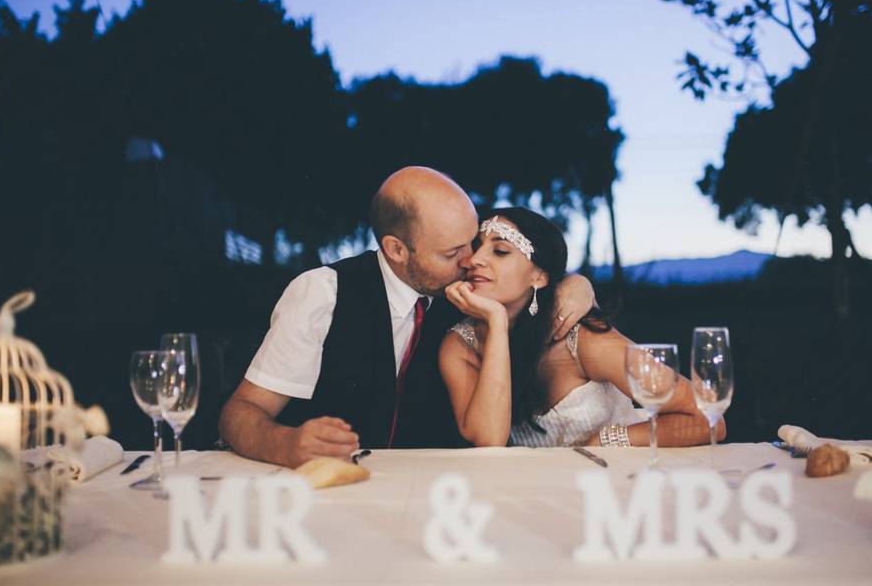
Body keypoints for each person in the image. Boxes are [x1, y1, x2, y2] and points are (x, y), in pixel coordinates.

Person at [218, 168, 595, 468]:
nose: (471, 260)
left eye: (473, 241)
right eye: (452, 252)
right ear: (396, 250)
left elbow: (532, 282)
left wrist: (576, 285)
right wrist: (284, 444)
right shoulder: (322, 293)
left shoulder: (471, 291)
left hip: (435, 494)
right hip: (328, 493)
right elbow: (240, 412)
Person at [438, 207, 723, 448]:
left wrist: (609, 439)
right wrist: (497, 323)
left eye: (500, 251)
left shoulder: (583, 340)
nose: (474, 260)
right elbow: (489, 440)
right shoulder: (460, 346)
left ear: (539, 277)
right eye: (476, 247)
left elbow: (710, 419)